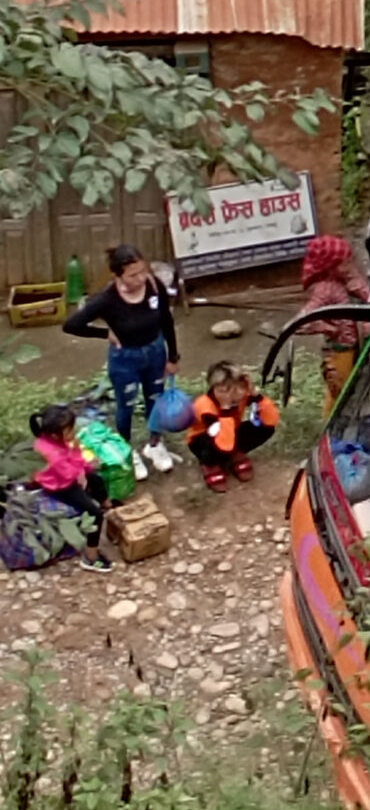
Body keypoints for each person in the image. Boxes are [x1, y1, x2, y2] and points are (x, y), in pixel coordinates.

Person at [62, 244, 180, 475]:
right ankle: (126, 449)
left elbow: (166, 320)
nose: (141, 278)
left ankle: (155, 444)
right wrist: (104, 333)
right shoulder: (107, 299)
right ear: (118, 275)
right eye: (133, 275)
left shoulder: (155, 286)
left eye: (143, 271)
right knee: (126, 406)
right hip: (125, 359)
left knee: (155, 398)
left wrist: (173, 356)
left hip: (155, 352)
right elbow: (71, 325)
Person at [22, 405, 114, 570]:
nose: (74, 432)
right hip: (59, 486)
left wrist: (84, 468)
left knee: (97, 480)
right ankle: (91, 556)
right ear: (55, 434)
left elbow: (73, 465)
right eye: (70, 430)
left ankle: (108, 504)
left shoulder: (50, 440)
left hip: (64, 475)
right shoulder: (52, 454)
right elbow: (70, 475)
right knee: (95, 514)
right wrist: (78, 453)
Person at [298, 236, 370, 401]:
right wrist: (332, 330)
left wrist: (359, 287)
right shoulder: (325, 289)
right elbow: (302, 322)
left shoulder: (350, 281)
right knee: (340, 397)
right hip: (341, 353)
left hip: (363, 346)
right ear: (331, 266)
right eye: (343, 263)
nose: (349, 265)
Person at [188, 361, 277, 492]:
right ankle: (210, 464)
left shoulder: (241, 395)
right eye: (226, 389)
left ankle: (235, 452)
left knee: (266, 428)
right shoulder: (204, 406)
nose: (235, 393)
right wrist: (226, 408)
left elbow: (271, 420)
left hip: (230, 432)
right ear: (217, 388)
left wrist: (256, 396)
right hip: (206, 440)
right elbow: (223, 443)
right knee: (213, 445)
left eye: (240, 387)